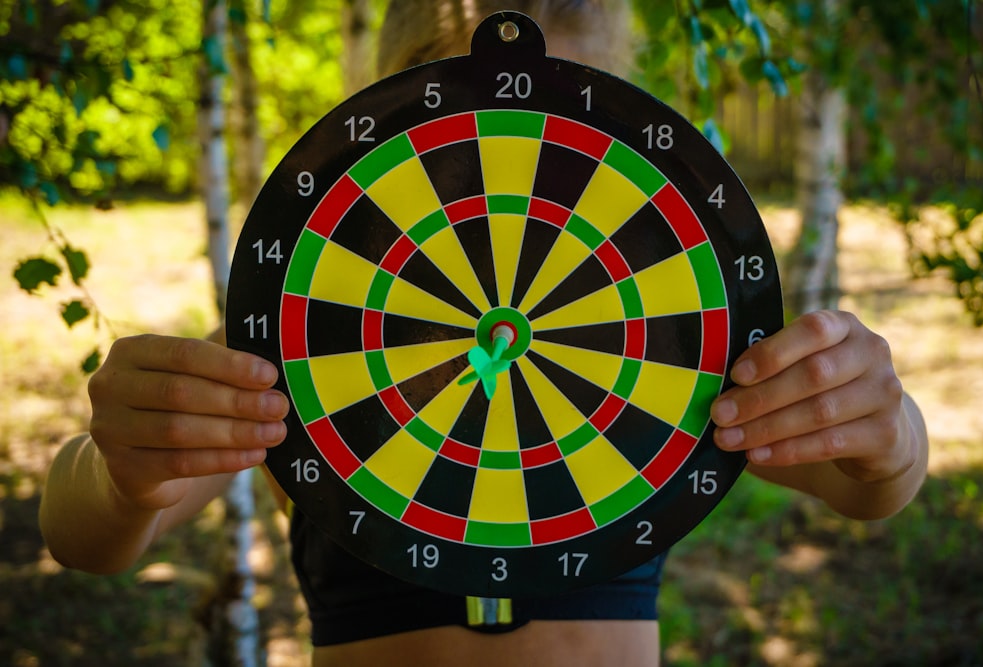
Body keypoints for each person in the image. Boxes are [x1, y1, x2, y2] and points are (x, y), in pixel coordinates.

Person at [39, 1, 929, 665]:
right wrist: (125, 469)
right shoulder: (313, 330)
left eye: (560, 150)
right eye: (485, 146)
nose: (522, 192)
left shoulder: (667, 330)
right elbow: (86, 536)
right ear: (400, 141)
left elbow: (863, 485)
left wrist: (887, 434)